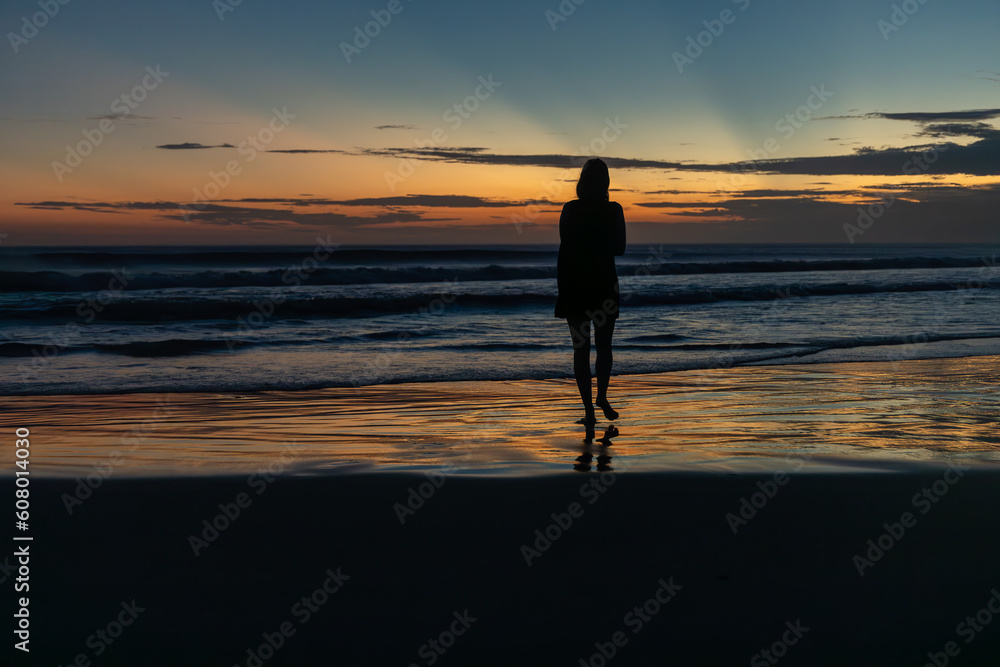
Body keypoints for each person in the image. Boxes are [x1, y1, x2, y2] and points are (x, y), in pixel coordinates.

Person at [554, 157, 627, 425]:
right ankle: (602, 397)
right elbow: (620, 248)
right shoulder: (614, 210)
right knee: (604, 348)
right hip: (604, 283)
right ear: (606, 182)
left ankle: (588, 411)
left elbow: (565, 246)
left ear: (581, 182)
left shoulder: (570, 209)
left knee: (580, 350)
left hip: (575, 284)